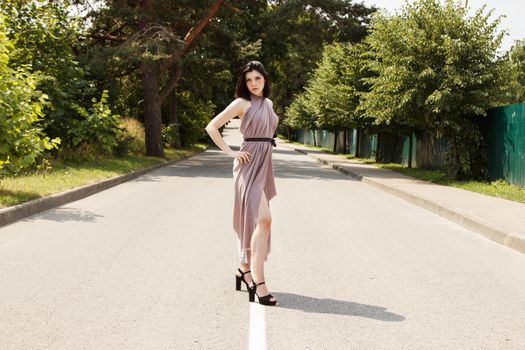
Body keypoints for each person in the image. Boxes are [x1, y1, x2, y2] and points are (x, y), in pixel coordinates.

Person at [205, 61, 278, 306]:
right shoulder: (241, 103)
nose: (254, 83)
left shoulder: (268, 104)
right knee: (264, 219)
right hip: (247, 165)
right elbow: (212, 126)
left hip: (264, 164)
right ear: (244, 83)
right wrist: (231, 152)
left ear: (265, 79)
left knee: (259, 221)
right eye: (249, 80)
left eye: (257, 78)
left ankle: (243, 269)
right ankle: (259, 280)